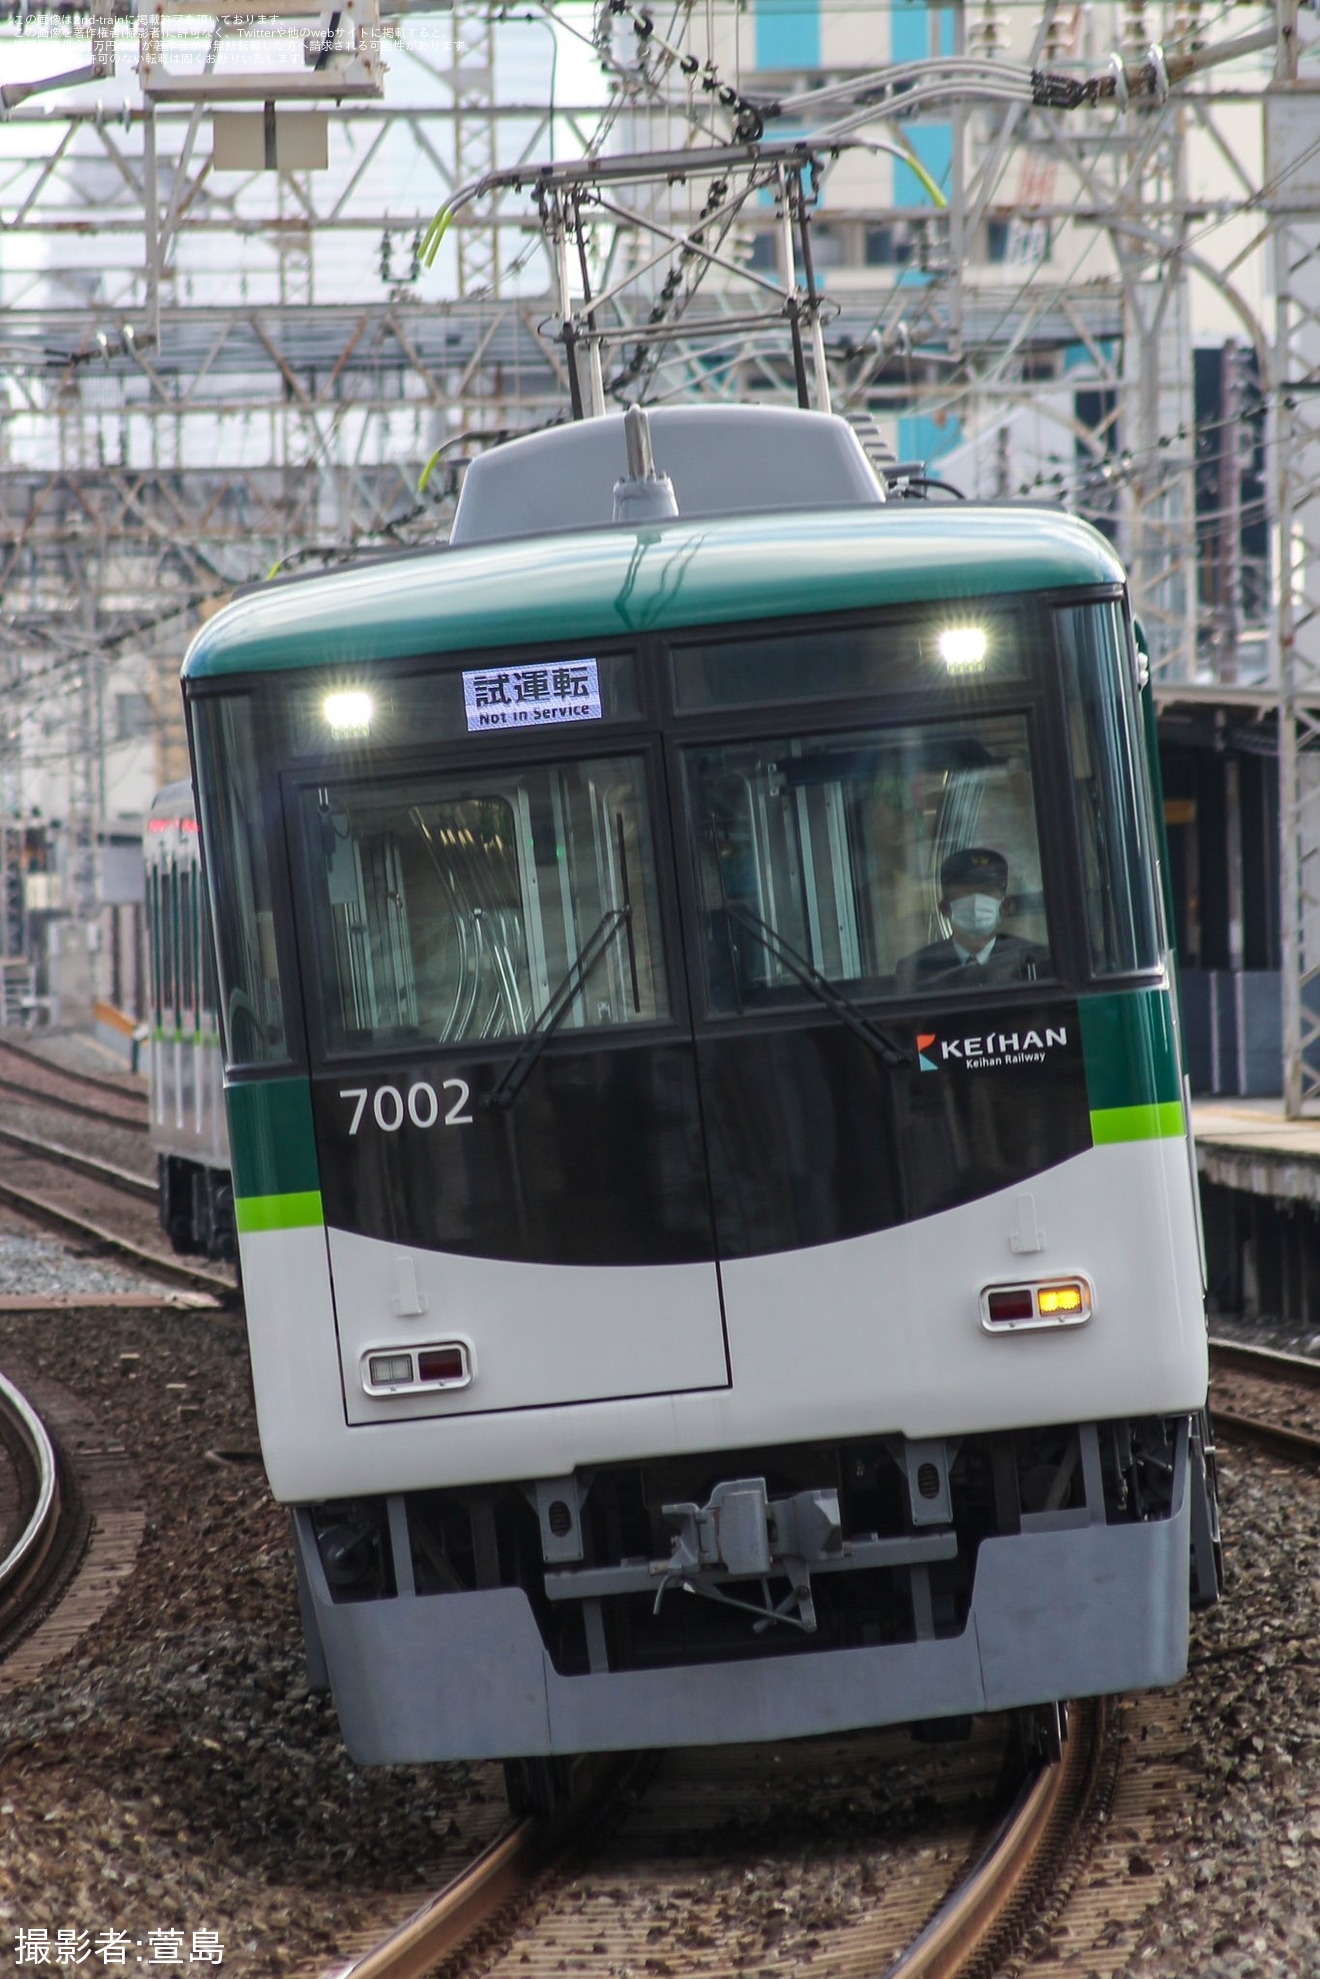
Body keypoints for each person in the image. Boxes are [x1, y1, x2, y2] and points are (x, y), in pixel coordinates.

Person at [896, 847, 1045, 990]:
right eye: (965, 893)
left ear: (1005, 906)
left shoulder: (1035, 960)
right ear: (945, 908)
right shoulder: (917, 970)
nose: (975, 902)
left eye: (986, 892)